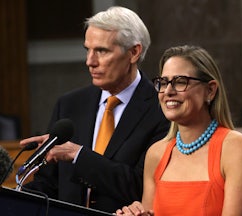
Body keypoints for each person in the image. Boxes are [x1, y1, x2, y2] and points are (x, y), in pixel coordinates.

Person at [19, 6, 169, 213]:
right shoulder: (69, 104)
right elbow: (49, 184)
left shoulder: (161, 108)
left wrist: (78, 155)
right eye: (87, 50)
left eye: (102, 51)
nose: (90, 61)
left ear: (134, 52)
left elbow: (142, 186)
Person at [115, 45, 242, 216]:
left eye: (180, 82)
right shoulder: (156, 154)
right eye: (163, 83)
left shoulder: (239, 149)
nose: (168, 91)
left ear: (210, 90)